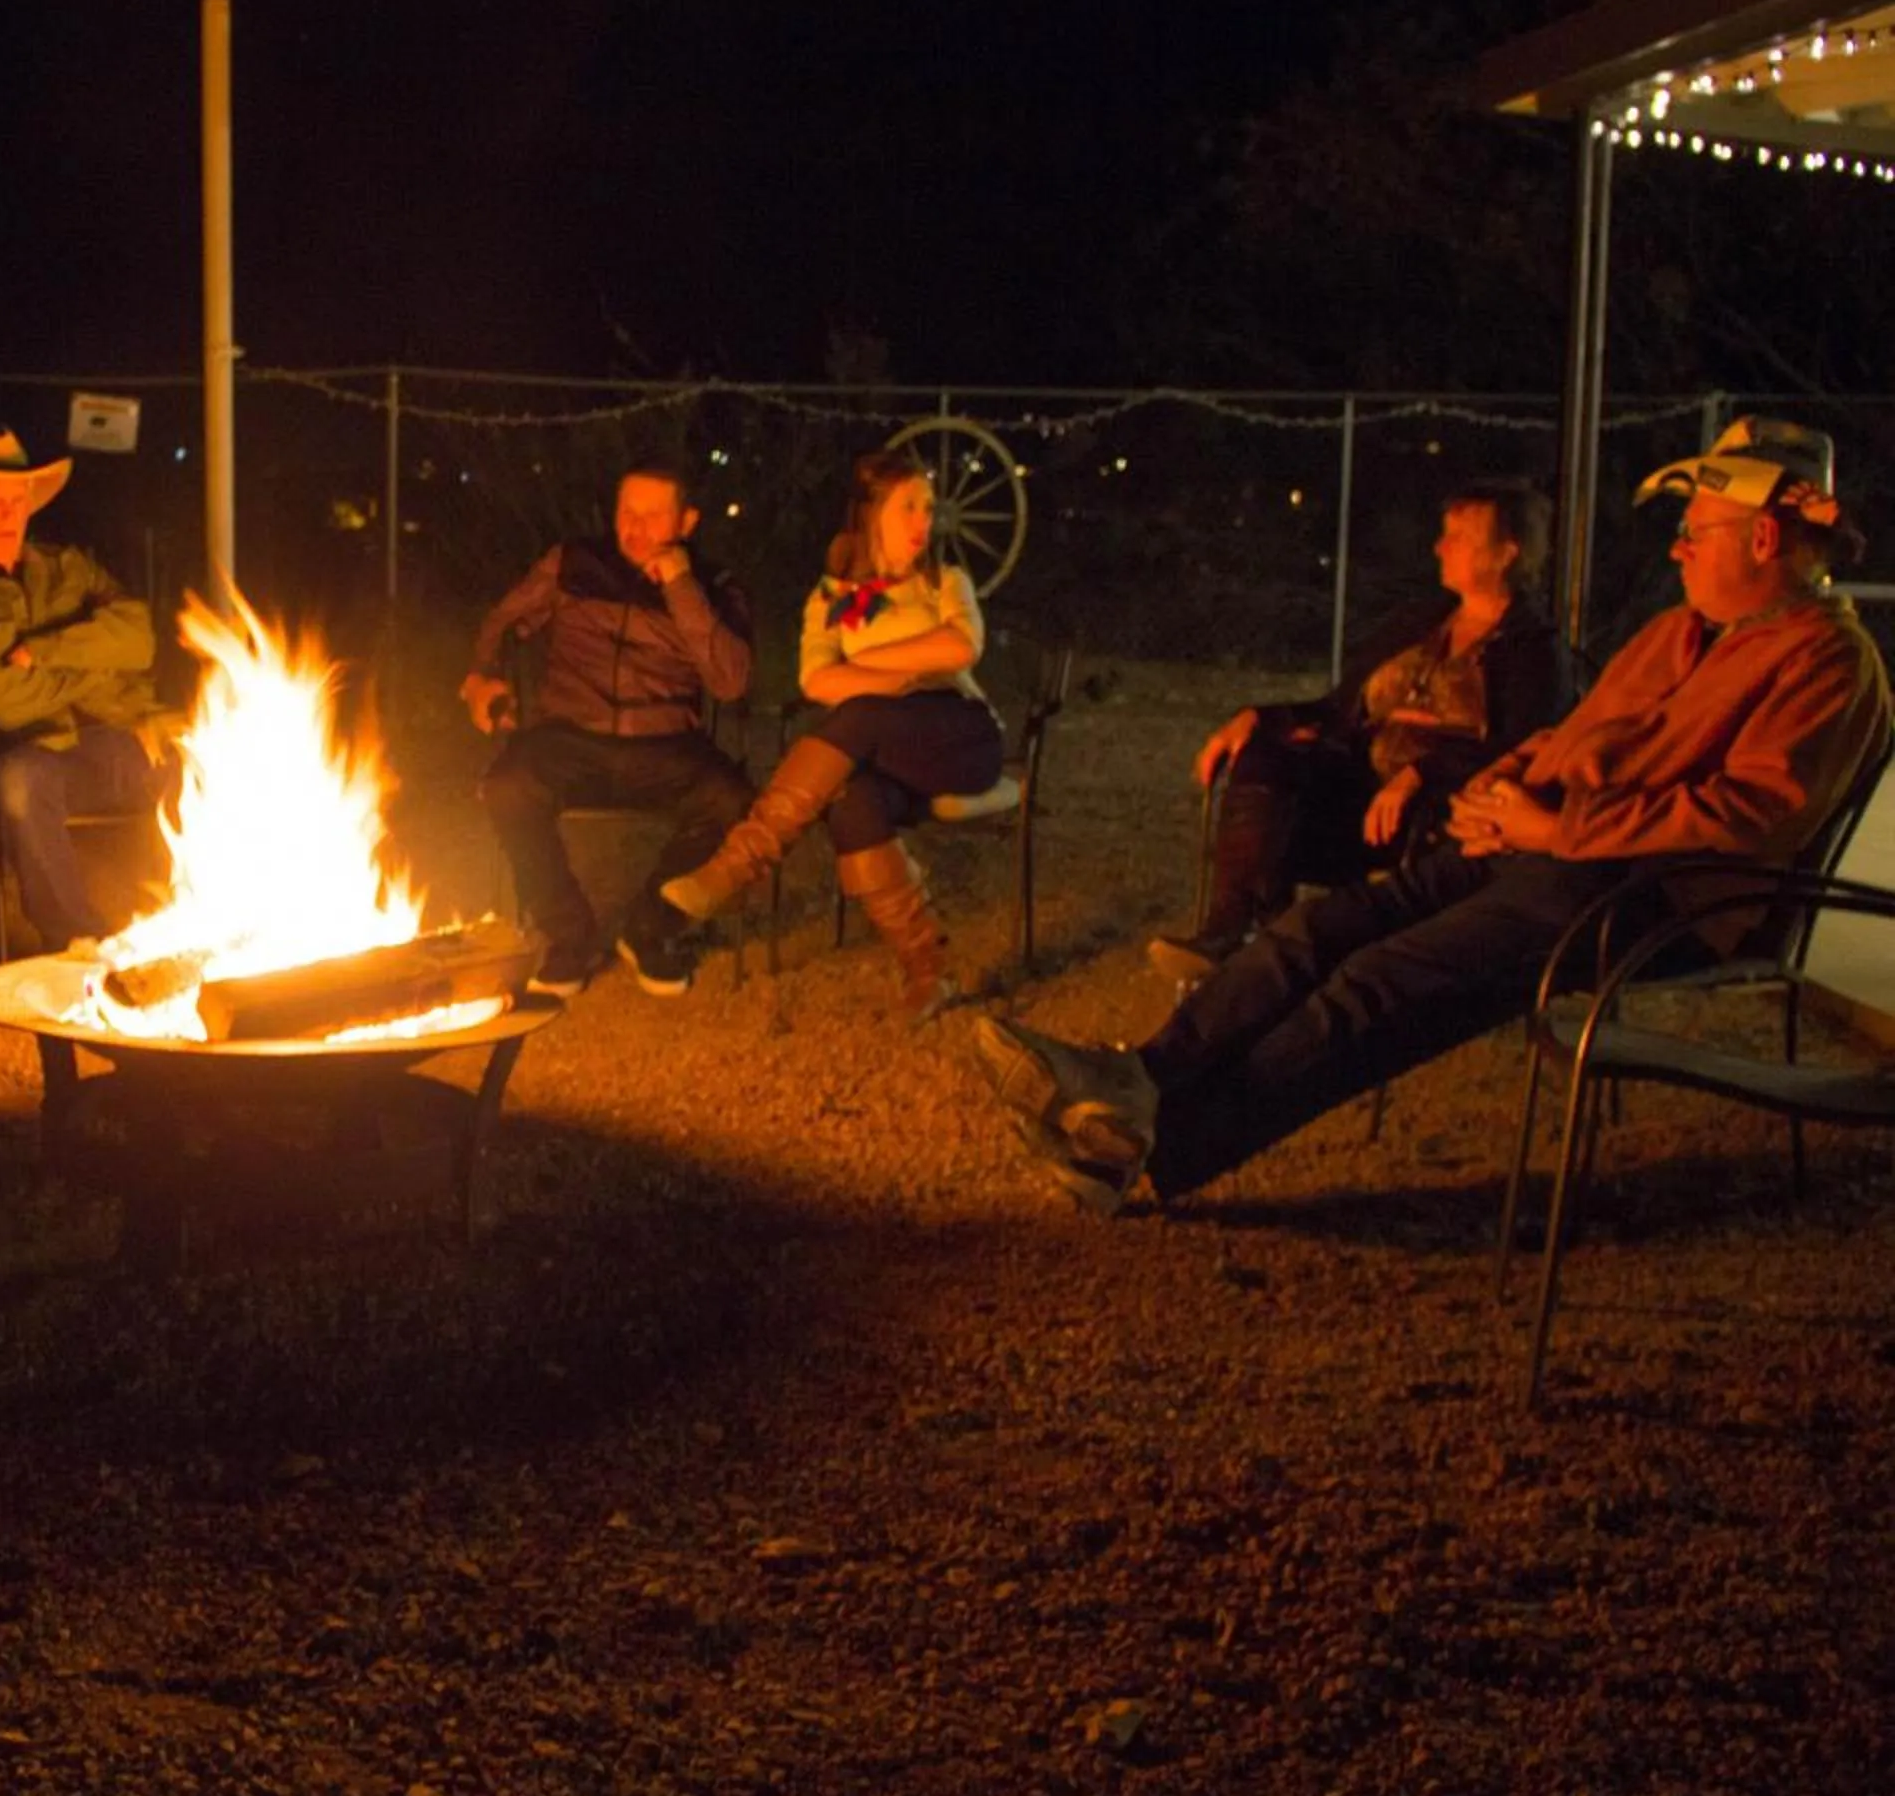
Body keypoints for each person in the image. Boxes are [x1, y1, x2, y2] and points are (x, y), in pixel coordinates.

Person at [976, 418, 1891, 1216]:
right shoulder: (1680, 633)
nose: (1677, 549)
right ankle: (1138, 1078)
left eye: (1697, 531)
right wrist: (1501, 799)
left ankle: (1155, 1145)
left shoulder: (1825, 664)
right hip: (1550, 850)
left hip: (1651, 898)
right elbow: (1573, 735)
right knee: (1320, 928)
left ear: (1766, 537)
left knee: (1383, 980)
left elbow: (1749, 812)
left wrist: (1556, 830)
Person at [1153, 479, 1563, 980]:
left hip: (1427, 821)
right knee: (1268, 753)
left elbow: (1526, 746)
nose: (1440, 547)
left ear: (1505, 554)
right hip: (1355, 789)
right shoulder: (1421, 623)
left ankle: (1261, 951)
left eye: (1458, 536)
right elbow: (1339, 708)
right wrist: (1261, 717)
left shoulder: (1531, 650)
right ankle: (1235, 929)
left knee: (1284, 819)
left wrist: (1421, 773)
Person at [657, 447, 1001, 1019]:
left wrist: (870, 672)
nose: (925, 522)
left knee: (860, 713)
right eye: (909, 507)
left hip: (961, 737)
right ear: (873, 516)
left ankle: (738, 865)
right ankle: (927, 971)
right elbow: (816, 680)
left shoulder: (946, 580)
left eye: (928, 508)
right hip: (883, 752)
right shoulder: (830, 597)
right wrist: (907, 668)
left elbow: (960, 647)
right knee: (850, 798)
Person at [464, 462, 752, 997]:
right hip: (570, 735)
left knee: (731, 799)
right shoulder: (574, 562)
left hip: (664, 745)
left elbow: (731, 681)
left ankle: (653, 925)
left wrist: (682, 586)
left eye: (653, 514)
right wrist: (484, 676)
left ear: (686, 521)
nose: (635, 527)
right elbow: (503, 621)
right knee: (507, 785)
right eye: (627, 511)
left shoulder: (714, 583)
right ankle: (567, 934)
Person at [0, 424, 170, 952]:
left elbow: (140, 638)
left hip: (133, 735)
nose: (13, 516)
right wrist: (98, 661)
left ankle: (231, 934)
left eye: (19, 501)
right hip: (39, 754)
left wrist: (44, 652)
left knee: (226, 752)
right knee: (20, 783)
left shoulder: (66, 566)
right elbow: (5, 699)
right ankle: (79, 941)